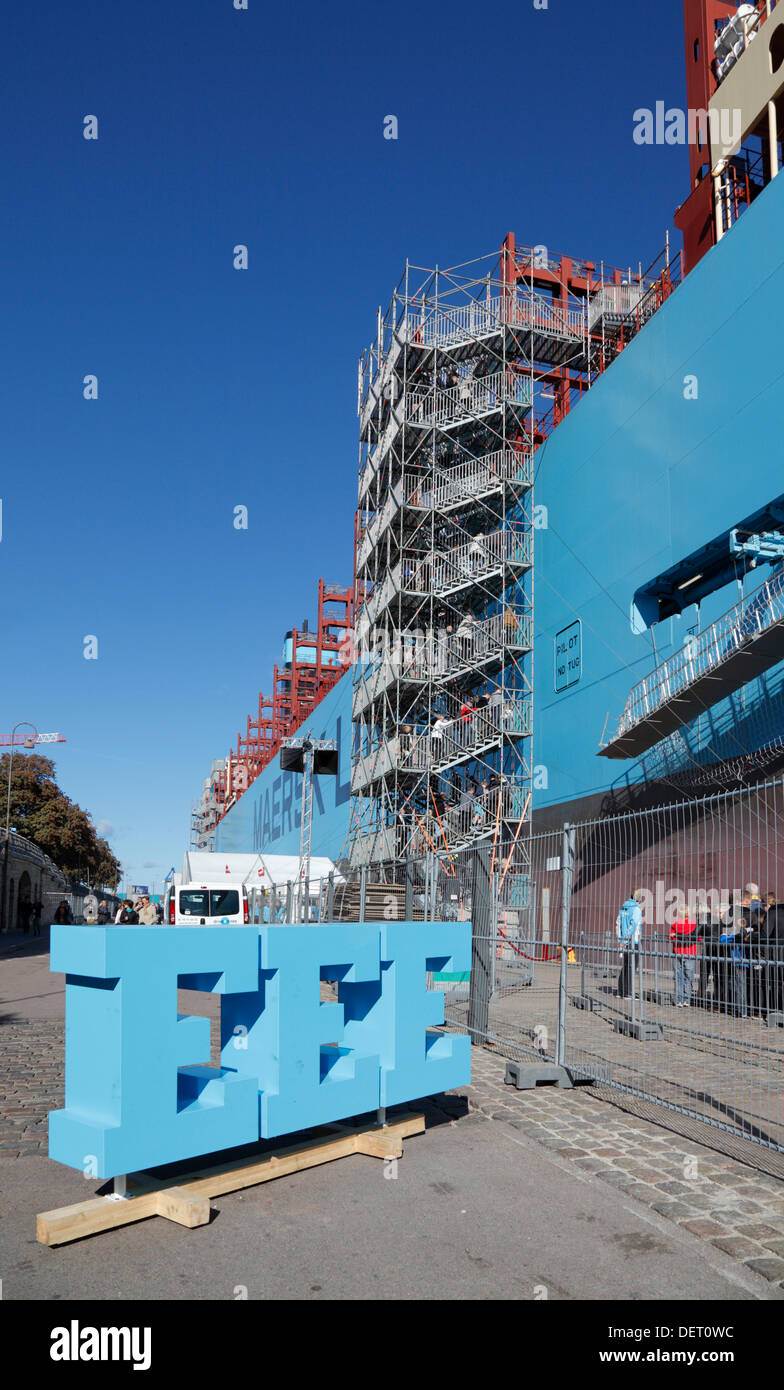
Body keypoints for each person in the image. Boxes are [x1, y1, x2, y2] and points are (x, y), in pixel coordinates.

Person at [615, 889, 643, 999]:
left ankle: (621, 991)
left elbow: (618, 924)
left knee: (626, 965)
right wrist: (627, 939)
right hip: (633, 941)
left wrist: (621, 940)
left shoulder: (623, 908)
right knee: (631, 967)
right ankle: (628, 993)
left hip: (624, 941)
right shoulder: (636, 909)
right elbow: (634, 925)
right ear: (639, 899)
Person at [669, 912, 699, 1007]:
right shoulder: (694, 925)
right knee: (688, 977)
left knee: (678, 977)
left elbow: (671, 937)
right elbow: (699, 938)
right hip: (690, 952)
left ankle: (679, 1000)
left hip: (678, 952)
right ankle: (687, 1000)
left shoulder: (675, 925)